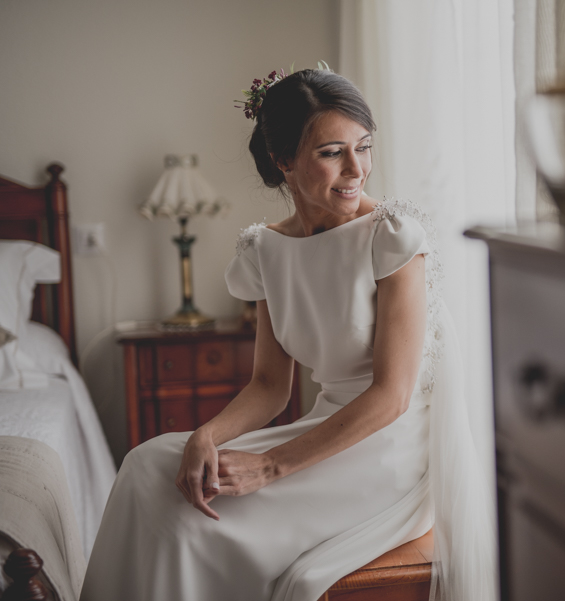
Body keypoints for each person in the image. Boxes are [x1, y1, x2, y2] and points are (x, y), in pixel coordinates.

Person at [80, 67, 495, 601]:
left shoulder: (391, 239)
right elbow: (270, 387)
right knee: (144, 469)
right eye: (331, 152)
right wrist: (207, 434)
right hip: (329, 428)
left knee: (189, 524)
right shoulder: (264, 252)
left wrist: (269, 467)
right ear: (284, 162)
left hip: (389, 450)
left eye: (363, 147)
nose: (356, 169)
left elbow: (392, 397)